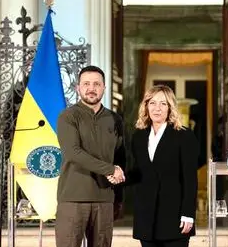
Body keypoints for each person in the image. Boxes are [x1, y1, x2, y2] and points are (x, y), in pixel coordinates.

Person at [110, 85, 199, 247]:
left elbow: (190, 178)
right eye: (153, 103)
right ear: (146, 106)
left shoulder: (184, 136)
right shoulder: (139, 136)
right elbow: (140, 172)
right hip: (146, 215)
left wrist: (188, 214)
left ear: (170, 108)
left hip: (174, 216)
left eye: (163, 104)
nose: (157, 108)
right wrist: (120, 177)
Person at [55, 65, 126, 247]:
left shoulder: (115, 119)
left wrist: (118, 198)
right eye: (86, 84)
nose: (91, 88)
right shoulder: (68, 116)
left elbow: (120, 159)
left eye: (96, 84)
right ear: (78, 88)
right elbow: (73, 152)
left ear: (104, 88)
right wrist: (110, 169)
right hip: (73, 199)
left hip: (104, 200)